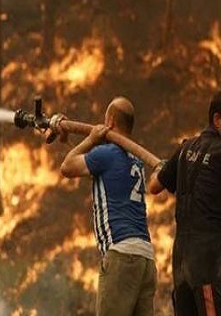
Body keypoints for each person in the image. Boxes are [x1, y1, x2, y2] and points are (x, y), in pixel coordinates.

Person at [147, 90, 221, 316]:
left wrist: (163, 167)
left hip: (181, 259)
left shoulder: (185, 148)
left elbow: (154, 186)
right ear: (217, 120)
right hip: (208, 261)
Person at [59, 96, 157, 316]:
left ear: (110, 122)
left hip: (122, 256)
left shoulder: (107, 154)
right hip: (146, 259)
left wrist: (91, 139)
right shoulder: (137, 160)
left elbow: (66, 167)